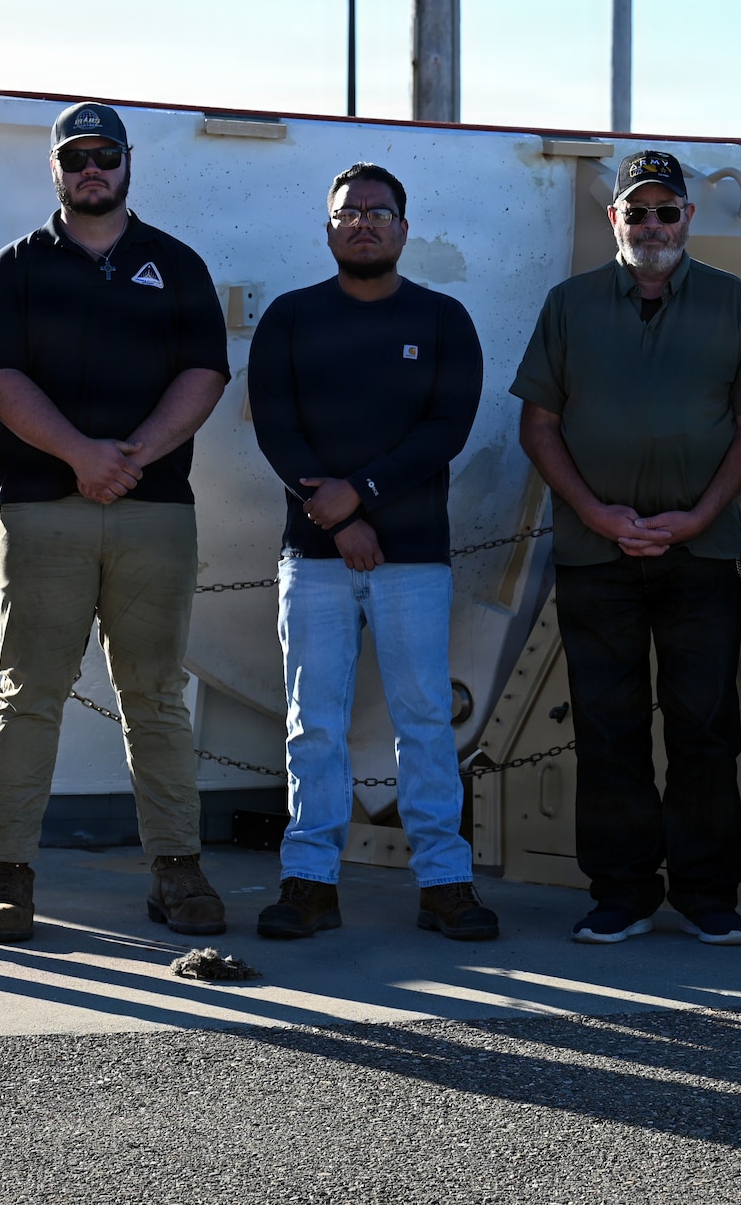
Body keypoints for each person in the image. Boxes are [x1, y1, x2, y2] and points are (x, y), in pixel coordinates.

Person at [0, 102, 231, 942]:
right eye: (75, 156)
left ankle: (178, 871)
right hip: (45, 512)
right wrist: (82, 455)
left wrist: (134, 456)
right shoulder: (15, 268)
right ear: (55, 168)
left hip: (153, 513)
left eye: (104, 155)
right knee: (31, 692)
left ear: (127, 163)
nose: (92, 169)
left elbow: (204, 373)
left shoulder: (175, 264)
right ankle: (7, 876)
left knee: (155, 696)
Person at [511, 149, 741, 947]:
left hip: (700, 554)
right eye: (639, 211)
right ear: (614, 220)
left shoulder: (735, 304)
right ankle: (621, 892)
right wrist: (594, 512)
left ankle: (706, 894)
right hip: (597, 556)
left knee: (704, 725)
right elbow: (539, 425)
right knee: (608, 725)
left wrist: (698, 516)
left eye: (667, 211)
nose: (653, 225)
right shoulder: (569, 306)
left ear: (688, 218)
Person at [247, 162, 497, 942]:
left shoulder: (443, 319)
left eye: (379, 212)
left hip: (414, 558)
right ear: (328, 227)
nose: (363, 222)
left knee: (423, 720)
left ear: (403, 229)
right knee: (313, 723)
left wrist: (362, 496)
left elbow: (445, 429)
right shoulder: (290, 319)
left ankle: (446, 883)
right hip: (314, 559)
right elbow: (277, 429)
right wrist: (338, 519)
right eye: (349, 211)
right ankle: (310, 881)